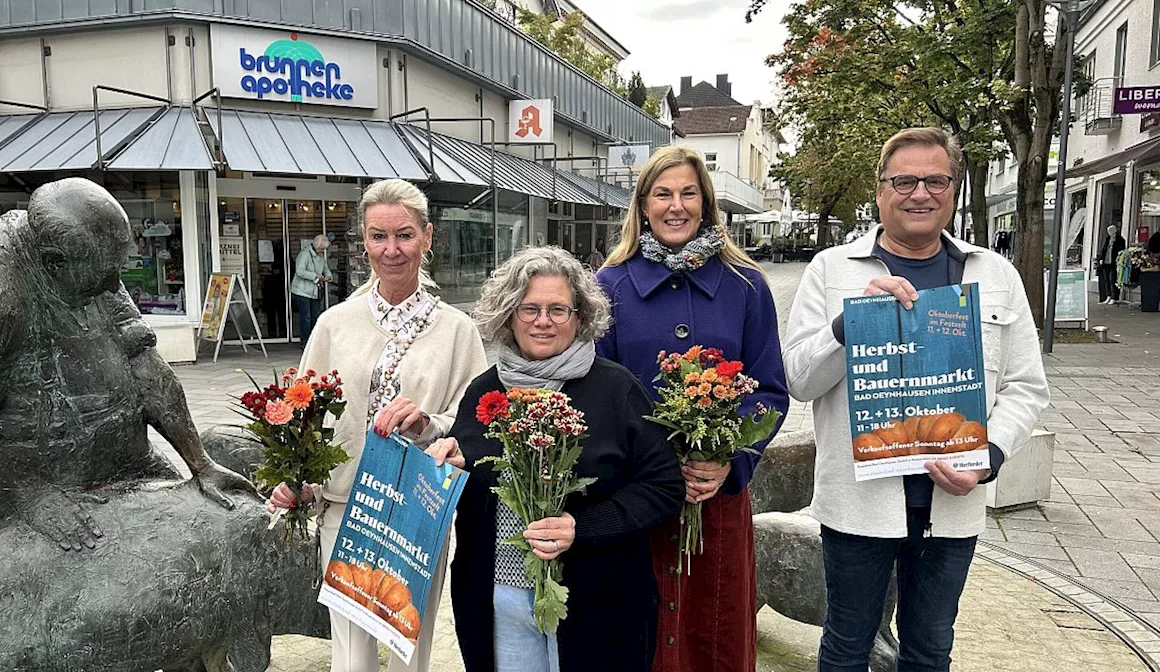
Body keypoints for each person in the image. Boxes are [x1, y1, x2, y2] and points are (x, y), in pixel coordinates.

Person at [782, 127, 1050, 671]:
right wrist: (848, 323)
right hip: (858, 503)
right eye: (904, 181)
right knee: (846, 643)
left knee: (930, 648)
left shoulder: (993, 274)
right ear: (880, 191)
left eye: (935, 180)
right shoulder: (832, 271)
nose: (920, 193)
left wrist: (990, 456)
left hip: (952, 503)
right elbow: (799, 380)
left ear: (953, 190)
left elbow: (1026, 386)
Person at [0, 177, 255, 552]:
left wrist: (199, 463)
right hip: (38, 491)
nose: (113, 287)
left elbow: (144, 362)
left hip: (129, 463)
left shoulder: (88, 256)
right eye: (105, 277)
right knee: (60, 603)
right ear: (55, 261)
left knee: (190, 551)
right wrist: (35, 498)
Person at [426, 245, 684, 671]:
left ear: (580, 317)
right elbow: (472, 493)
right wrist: (451, 467)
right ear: (509, 315)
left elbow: (663, 487)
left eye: (558, 310)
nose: (542, 321)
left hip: (598, 602)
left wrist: (582, 527)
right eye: (529, 309)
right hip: (500, 602)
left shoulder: (617, 390)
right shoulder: (482, 392)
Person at [595, 146, 790, 672]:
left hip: (717, 499)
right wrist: (648, 468)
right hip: (638, 500)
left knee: (715, 634)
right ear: (642, 205)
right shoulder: (609, 288)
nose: (675, 205)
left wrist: (730, 460)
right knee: (644, 636)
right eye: (663, 194)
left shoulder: (746, 285)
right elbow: (598, 392)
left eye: (688, 193)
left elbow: (770, 390)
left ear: (706, 204)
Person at [288, 178, 488, 672]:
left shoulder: (457, 330)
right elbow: (304, 414)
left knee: (407, 650)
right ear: (363, 241)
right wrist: (298, 482)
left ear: (427, 236)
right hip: (345, 504)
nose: (392, 249)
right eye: (379, 236)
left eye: (404, 235)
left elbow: (475, 424)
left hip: (418, 508)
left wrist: (426, 423)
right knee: (352, 654)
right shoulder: (334, 323)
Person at [292, 233, 332, 341]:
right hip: (302, 291)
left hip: (314, 291)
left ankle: (313, 341)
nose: (323, 251)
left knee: (315, 317)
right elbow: (300, 271)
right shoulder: (304, 254)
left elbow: (325, 268)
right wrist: (315, 276)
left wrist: (328, 276)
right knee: (306, 318)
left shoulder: (320, 256)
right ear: (317, 246)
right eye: (322, 248)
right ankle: (305, 342)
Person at [1097, 224, 1127, 304]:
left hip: (1114, 262)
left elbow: (1121, 251)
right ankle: (1108, 296)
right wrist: (1101, 258)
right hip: (1106, 261)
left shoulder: (1120, 240)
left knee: (1113, 279)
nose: (1109, 232)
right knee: (1106, 279)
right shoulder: (1108, 239)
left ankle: (1114, 296)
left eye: (1110, 231)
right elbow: (1104, 249)